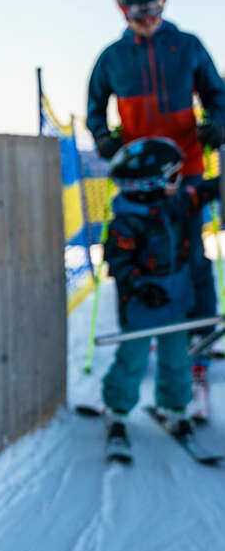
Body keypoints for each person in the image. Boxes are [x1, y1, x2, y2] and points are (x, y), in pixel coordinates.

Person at [86, 0, 225, 338]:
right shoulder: (113, 58)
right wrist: (102, 137)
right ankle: (144, 329)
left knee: (191, 251)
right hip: (137, 179)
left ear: (164, 3)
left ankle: (200, 332)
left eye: (154, 8)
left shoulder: (187, 46)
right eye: (137, 13)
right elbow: (94, 107)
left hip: (186, 167)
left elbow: (217, 93)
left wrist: (218, 123)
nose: (147, 19)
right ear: (122, 11)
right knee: (139, 254)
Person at [100, 137, 221, 450]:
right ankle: (117, 411)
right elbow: (118, 262)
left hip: (176, 300)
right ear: (147, 184)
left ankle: (176, 409)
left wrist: (215, 186)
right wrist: (141, 285)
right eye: (172, 177)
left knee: (177, 360)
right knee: (133, 361)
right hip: (142, 307)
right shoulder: (126, 223)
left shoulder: (171, 204)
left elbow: (197, 195)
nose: (177, 183)